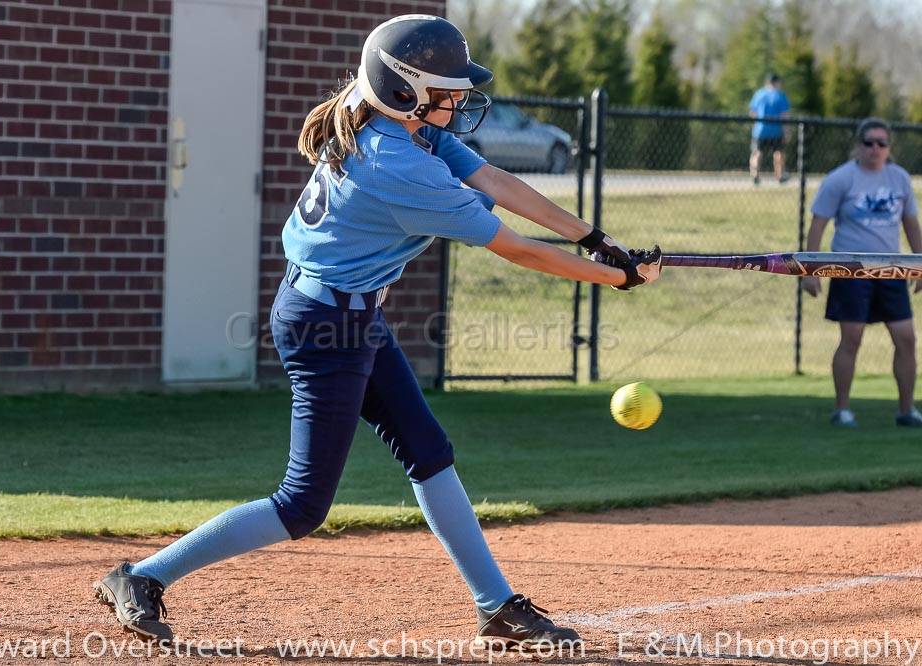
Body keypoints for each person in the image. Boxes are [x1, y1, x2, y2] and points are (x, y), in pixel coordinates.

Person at [92, 14, 661, 649]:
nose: (458, 102)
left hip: (348, 313)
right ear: (407, 91)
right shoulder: (396, 164)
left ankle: (495, 605)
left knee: (428, 449)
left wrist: (598, 241)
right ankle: (139, 577)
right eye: (447, 92)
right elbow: (516, 249)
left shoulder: (398, 124)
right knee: (302, 505)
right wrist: (616, 280)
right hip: (324, 326)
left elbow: (497, 183)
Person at [801, 117, 922, 428]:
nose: (875, 149)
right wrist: (810, 270)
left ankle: (906, 410)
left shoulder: (899, 179)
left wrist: (919, 265)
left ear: (889, 147)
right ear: (858, 145)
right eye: (869, 142)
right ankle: (842, 410)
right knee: (852, 338)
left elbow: (911, 225)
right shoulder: (841, 179)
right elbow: (818, 224)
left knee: (906, 338)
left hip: (891, 269)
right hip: (850, 269)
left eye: (882, 143)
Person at [748, 73, 791, 185]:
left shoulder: (759, 94)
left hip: (760, 130)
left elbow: (752, 113)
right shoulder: (780, 95)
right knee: (779, 153)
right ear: (776, 82)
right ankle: (780, 176)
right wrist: (786, 132)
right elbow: (785, 116)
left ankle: (754, 175)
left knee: (757, 152)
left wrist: (755, 126)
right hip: (776, 129)